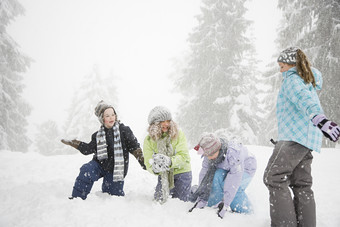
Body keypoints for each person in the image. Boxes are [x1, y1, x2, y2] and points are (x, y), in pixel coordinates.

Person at [263, 47, 340, 226]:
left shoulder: (293, 80)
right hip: (306, 140)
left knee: (273, 177)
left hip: (293, 138)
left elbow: (304, 100)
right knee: (301, 184)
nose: (280, 70)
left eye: (282, 67)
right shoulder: (306, 81)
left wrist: (319, 118)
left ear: (292, 65)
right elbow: (306, 98)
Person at [61, 100, 146, 200]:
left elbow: (134, 147)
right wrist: (74, 143)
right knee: (86, 170)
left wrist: (142, 160)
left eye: (113, 114)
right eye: (107, 116)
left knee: (113, 197)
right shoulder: (98, 135)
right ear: (102, 119)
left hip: (116, 171)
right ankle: (76, 199)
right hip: (99, 165)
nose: (111, 118)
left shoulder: (124, 131)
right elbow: (87, 149)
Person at [189, 133, 257, 219]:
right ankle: (213, 205)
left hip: (245, 168)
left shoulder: (233, 154)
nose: (208, 158)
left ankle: (246, 212)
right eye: (207, 155)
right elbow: (205, 173)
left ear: (218, 150)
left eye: (210, 155)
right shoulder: (209, 151)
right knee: (216, 177)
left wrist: (225, 204)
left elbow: (233, 182)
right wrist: (201, 197)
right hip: (226, 167)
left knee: (234, 188)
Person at [143, 106, 192, 203]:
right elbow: (148, 162)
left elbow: (184, 157)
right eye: (162, 121)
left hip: (182, 172)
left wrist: (169, 161)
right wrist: (155, 168)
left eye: (168, 121)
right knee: (159, 202)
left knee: (180, 204)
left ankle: (192, 192)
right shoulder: (149, 140)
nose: (166, 124)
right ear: (155, 124)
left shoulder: (178, 134)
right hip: (164, 175)